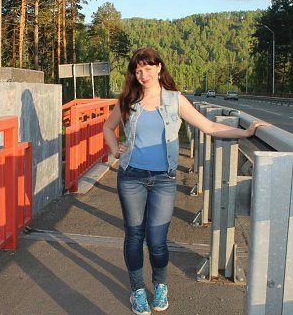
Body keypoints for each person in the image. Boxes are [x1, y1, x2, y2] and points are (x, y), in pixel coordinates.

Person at [102, 47, 269, 315]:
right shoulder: (128, 100)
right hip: (131, 176)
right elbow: (107, 127)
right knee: (134, 235)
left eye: (147, 68)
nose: (143, 74)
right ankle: (138, 291)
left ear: (159, 68)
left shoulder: (175, 100)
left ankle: (160, 286)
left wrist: (245, 132)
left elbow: (209, 127)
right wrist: (115, 150)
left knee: (157, 240)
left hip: (163, 180)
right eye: (138, 70)